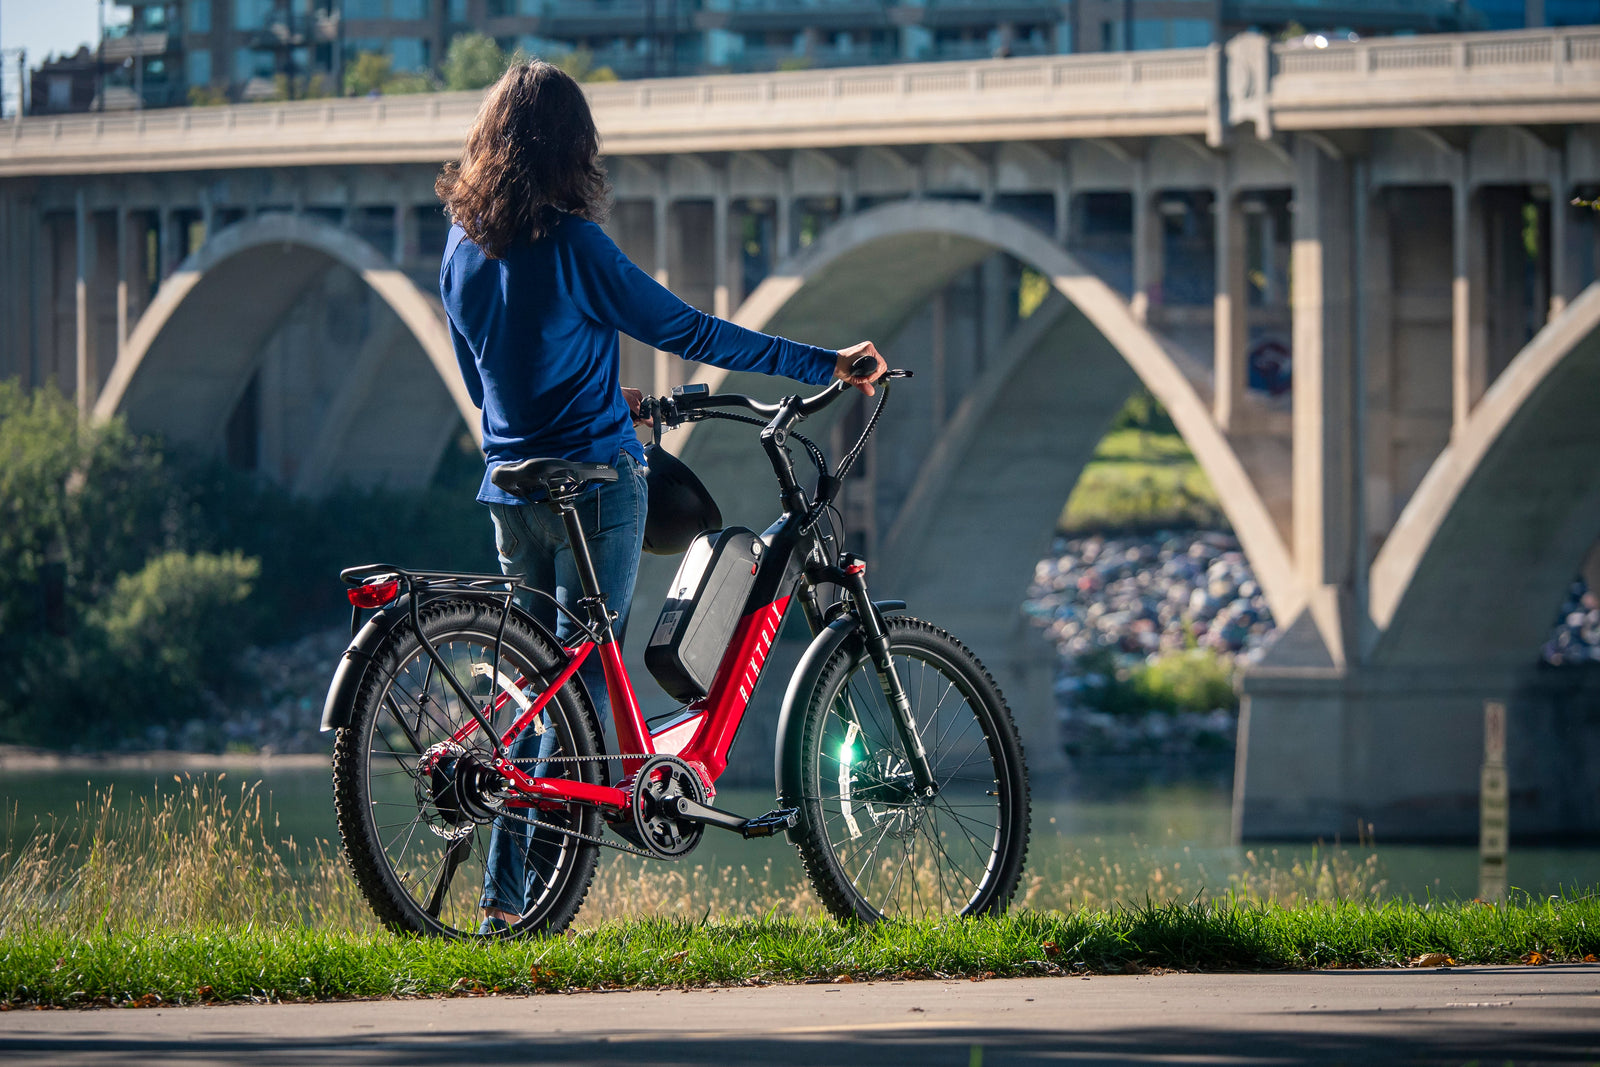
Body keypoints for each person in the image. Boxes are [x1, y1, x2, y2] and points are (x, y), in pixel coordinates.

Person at [435, 60, 885, 934]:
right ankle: (504, 895)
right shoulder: (577, 246)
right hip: (598, 480)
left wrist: (607, 397)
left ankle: (526, 880)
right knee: (573, 683)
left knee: (540, 678)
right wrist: (824, 361)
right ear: (574, 150)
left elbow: (494, 379)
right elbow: (691, 330)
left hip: (508, 488)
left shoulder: (460, 246)